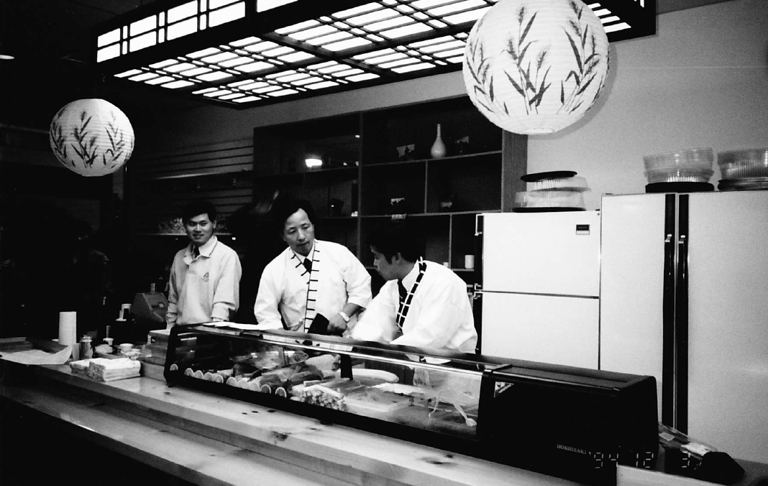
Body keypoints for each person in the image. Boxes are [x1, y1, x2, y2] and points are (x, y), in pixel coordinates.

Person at [351, 221, 477, 353]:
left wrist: (386, 351)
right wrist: (356, 348)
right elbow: (374, 324)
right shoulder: (392, 286)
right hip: (414, 360)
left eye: (377, 257)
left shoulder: (444, 283)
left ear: (396, 257)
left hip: (450, 363)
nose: (374, 263)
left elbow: (429, 338)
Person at [254, 198, 371, 334]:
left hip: (344, 339)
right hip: (299, 342)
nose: (301, 236)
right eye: (292, 231)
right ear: (283, 236)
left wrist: (344, 315)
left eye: (305, 227)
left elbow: (361, 288)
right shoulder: (274, 269)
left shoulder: (339, 253)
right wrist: (284, 339)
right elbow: (265, 313)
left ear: (313, 226)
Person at [166, 201, 242, 327]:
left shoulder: (226, 256)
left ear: (214, 224)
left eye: (203, 224)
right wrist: (168, 331)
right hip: (180, 331)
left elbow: (224, 304)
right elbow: (173, 301)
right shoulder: (179, 257)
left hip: (210, 332)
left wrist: (214, 332)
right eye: (192, 224)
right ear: (184, 225)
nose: (197, 229)